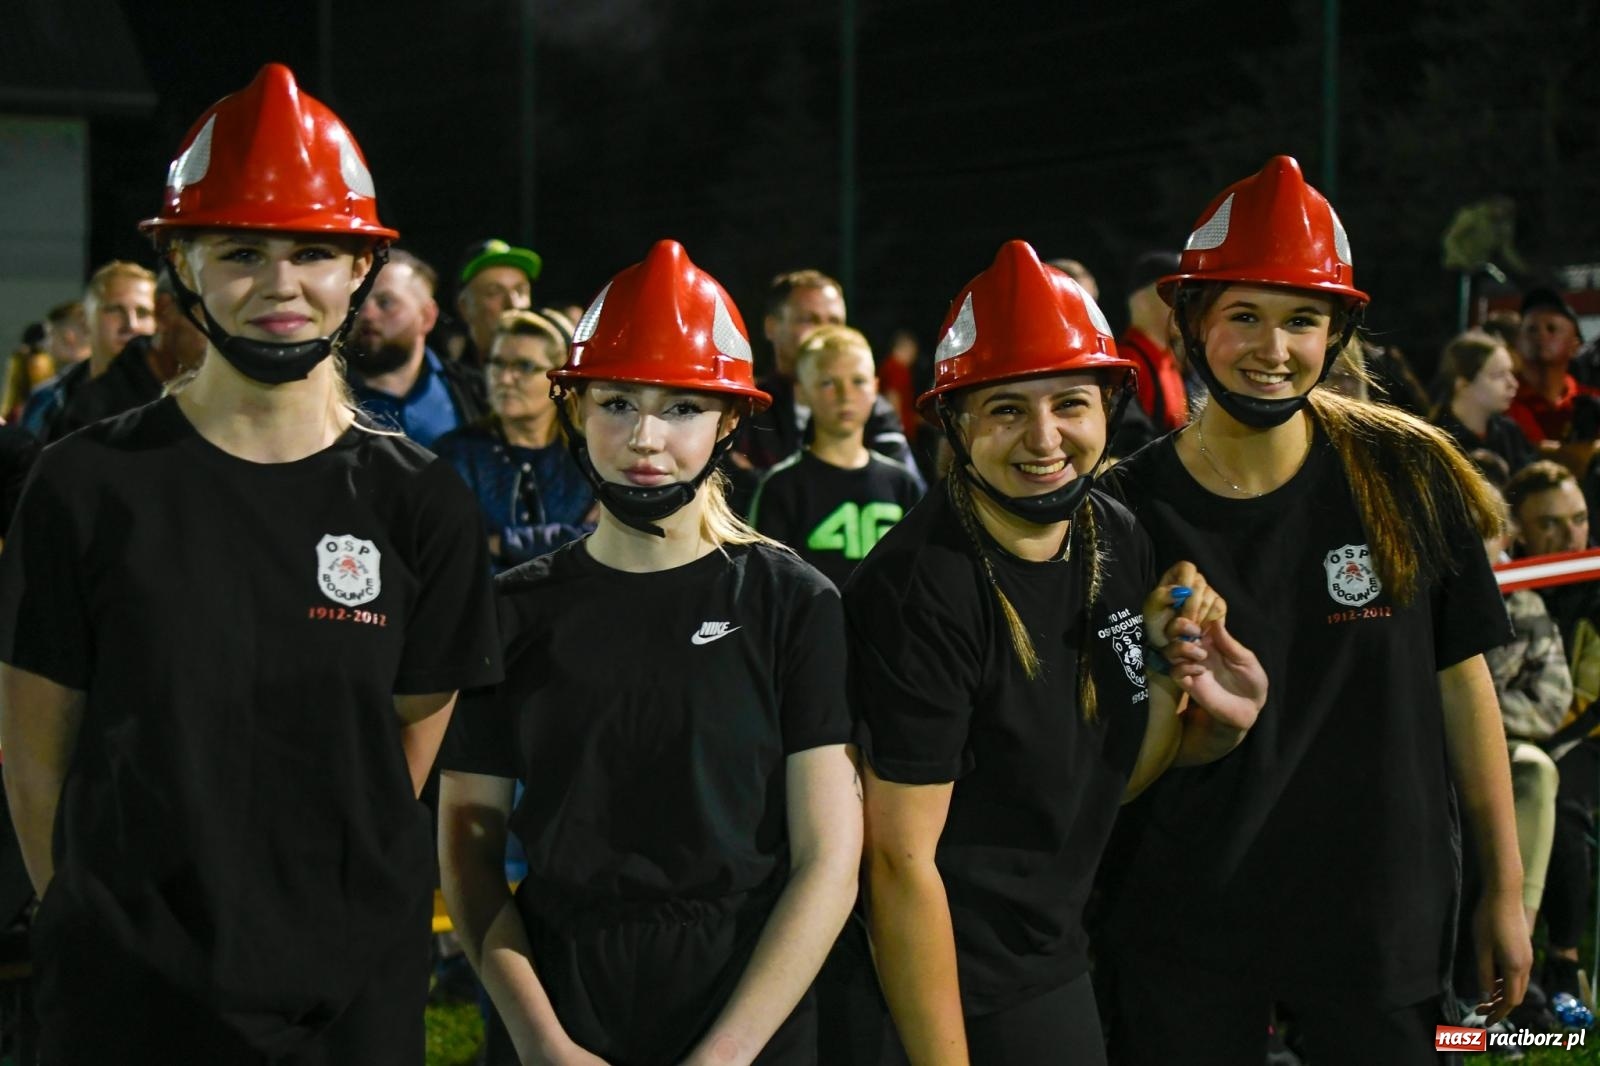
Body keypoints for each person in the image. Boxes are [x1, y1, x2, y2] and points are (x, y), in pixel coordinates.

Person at [0, 64, 501, 1065]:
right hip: (125, 997)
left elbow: (398, 754)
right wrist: (105, 920)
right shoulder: (84, 482)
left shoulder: (421, 501)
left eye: (314, 251)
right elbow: (33, 752)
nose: (281, 285)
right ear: (183, 261)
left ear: (360, 268)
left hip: (347, 993)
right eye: (241, 251)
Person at [1096, 155, 1529, 1064]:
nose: (1273, 347)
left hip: (1379, 917)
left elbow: (1465, 684)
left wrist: (1505, 888)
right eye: (1243, 316)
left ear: (1335, 335)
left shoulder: (1407, 474)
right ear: (1192, 323)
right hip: (1186, 923)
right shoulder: (1124, 510)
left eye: (1301, 320)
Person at [438, 239, 861, 1066]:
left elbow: (828, 858)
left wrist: (727, 1053)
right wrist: (542, 1043)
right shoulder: (514, 609)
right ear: (577, 408)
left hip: (748, 995)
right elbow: (469, 853)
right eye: (618, 403)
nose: (644, 438)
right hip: (560, 994)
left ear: (731, 420)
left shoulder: (793, 604)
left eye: (680, 408)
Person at [850, 240, 1267, 1065]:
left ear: (1109, 406)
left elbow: (1105, 774)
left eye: (1069, 402)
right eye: (1006, 408)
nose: (1045, 437)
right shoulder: (919, 589)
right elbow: (898, 866)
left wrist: (1209, 726)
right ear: (955, 421)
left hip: (1049, 954)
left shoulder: (1112, 535)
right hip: (928, 980)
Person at [750, 325, 923, 588]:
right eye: (828, 382)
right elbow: (765, 584)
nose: (846, 395)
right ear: (803, 391)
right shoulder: (781, 487)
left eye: (858, 381)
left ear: (875, 387)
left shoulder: (902, 484)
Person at [433, 308, 594, 571]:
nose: (505, 379)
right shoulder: (456, 453)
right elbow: (449, 548)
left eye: (524, 366)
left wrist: (502, 544)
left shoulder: (589, 458)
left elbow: (602, 545)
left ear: (562, 381)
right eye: (496, 363)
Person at [346, 248, 487, 446]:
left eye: (385, 302)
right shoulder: (324, 399)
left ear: (427, 316)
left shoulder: (477, 392)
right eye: (358, 301)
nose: (367, 314)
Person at [1431, 328, 1535, 475]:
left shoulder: (1509, 434)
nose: (1513, 384)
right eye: (1498, 375)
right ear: (1463, 384)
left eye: (1510, 373)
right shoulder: (1435, 441)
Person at [454, 238, 541, 366]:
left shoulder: (552, 376)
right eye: (494, 292)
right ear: (465, 307)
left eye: (520, 290)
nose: (513, 305)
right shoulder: (445, 381)